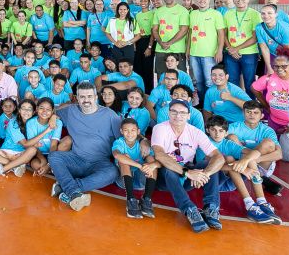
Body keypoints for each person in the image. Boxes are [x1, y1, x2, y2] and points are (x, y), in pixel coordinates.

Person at [151, 99, 225, 233]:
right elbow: (160, 155)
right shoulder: (160, 128)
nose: (178, 116)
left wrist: (205, 174)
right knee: (168, 168)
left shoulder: (195, 132)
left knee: (208, 163)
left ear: (189, 115)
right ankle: (190, 210)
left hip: (186, 177)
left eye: (182, 113)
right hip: (165, 178)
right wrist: (188, 173)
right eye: (174, 111)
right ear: (168, 113)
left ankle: (211, 208)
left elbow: (219, 157)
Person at [49, 82, 121, 212]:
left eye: (89, 96)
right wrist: (54, 116)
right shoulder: (71, 111)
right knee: (54, 157)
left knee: (113, 173)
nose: (86, 100)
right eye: (82, 97)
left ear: (95, 97)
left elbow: (122, 138)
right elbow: (53, 110)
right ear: (77, 98)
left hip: (100, 162)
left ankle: (68, 189)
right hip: (76, 159)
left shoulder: (110, 115)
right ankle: (73, 192)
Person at [205, 115, 280, 225]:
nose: (217, 134)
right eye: (213, 130)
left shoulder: (227, 143)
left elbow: (248, 153)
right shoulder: (205, 142)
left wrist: (245, 161)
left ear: (226, 133)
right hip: (211, 181)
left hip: (230, 183)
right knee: (229, 159)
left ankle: (262, 202)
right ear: (207, 130)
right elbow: (206, 166)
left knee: (249, 158)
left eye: (221, 131)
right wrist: (241, 168)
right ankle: (249, 205)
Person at [0, 99, 41, 177]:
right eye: (23, 108)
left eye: (29, 109)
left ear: (33, 112)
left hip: (20, 155)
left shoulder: (34, 123)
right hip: (5, 153)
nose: (26, 111)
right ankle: (14, 166)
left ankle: (2, 168)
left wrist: (53, 117)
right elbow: (25, 144)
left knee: (33, 150)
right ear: (19, 110)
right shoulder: (13, 122)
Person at [112, 117, 158, 219]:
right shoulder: (119, 142)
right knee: (123, 159)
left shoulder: (143, 144)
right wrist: (139, 165)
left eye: (133, 130)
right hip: (124, 181)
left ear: (138, 131)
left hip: (141, 180)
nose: (129, 133)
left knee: (151, 159)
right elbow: (117, 155)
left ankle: (147, 199)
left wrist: (148, 165)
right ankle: (131, 200)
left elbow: (154, 161)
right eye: (126, 130)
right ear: (121, 131)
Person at [187, 0, 225, 101]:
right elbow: (190, 33)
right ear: (196, 0)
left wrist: (219, 51)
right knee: (198, 82)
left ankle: (212, 104)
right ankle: (203, 105)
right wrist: (188, 49)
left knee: (210, 81)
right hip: (194, 54)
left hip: (210, 54)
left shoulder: (216, 14)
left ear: (209, 0)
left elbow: (221, 34)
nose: (202, 0)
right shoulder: (192, 14)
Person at [222, 0, 260, 91]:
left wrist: (236, 49)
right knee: (232, 81)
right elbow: (224, 34)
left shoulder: (255, 14)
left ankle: (251, 105)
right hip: (230, 54)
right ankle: (235, 105)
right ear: (233, 0)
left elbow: (255, 37)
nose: (240, 1)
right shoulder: (228, 14)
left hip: (249, 54)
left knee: (249, 82)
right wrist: (230, 49)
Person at [250, 54, 289, 133]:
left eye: (284, 66)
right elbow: (254, 88)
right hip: (274, 121)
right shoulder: (269, 78)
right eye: (276, 66)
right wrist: (266, 106)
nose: (279, 69)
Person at [152, 0, 189, 76]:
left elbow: (184, 30)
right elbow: (155, 30)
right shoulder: (158, 11)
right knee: (162, 78)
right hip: (161, 50)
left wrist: (169, 43)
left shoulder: (182, 10)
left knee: (178, 78)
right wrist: (161, 42)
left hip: (177, 50)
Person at [255, 4, 289, 76]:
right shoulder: (259, 28)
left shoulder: (285, 27)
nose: (266, 16)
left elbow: (288, 50)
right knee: (271, 77)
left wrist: (282, 67)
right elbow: (264, 48)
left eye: (269, 13)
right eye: (263, 13)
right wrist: (269, 67)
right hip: (273, 55)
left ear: (276, 15)